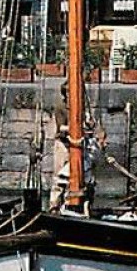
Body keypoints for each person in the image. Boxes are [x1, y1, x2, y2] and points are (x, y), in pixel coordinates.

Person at [49, 82, 107, 213]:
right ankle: (54, 206)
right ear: (65, 94)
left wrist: (89, 125)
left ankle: (85, 204)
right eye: (69, 93)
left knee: (86, 172)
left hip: (80, 143)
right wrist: (75, 129)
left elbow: (90, 124)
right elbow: (60, 127)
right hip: (64, 143)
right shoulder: (61, 107)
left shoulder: (81, 107)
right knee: (59, 176)